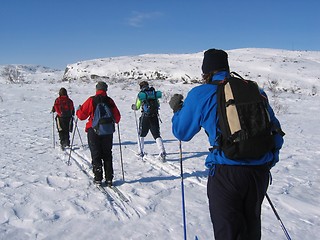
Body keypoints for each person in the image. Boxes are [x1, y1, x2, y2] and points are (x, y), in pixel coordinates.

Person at [169, 49, 285, 240]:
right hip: (259, 172)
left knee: (229, 232)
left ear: (206, 72)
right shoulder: (255, 91)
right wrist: (267, 160)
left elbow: (182, 132)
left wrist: (177, 110)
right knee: (251, 229)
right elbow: (275, 132)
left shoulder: (201, 94)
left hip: (226, 172)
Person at [76, 81, 121, 186]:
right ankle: (109, 178)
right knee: (107, 154)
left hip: (93, 130)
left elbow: (82, 116)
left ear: (96, 89)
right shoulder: (110, 101)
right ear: (106, 90)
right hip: (108, 131)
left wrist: (78, 110)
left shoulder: (91, 100)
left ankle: (98, 178)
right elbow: (117, 118)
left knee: (96, 153)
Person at [131, 81, 166, 162]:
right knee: (156, 134)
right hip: (154, 116)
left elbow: (137, 106)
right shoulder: (153, 93)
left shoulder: (141, 95)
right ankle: (162, 152)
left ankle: (140, 151)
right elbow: (158, 104)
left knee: (141, 134)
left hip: (145, 117)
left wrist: (133, 107)